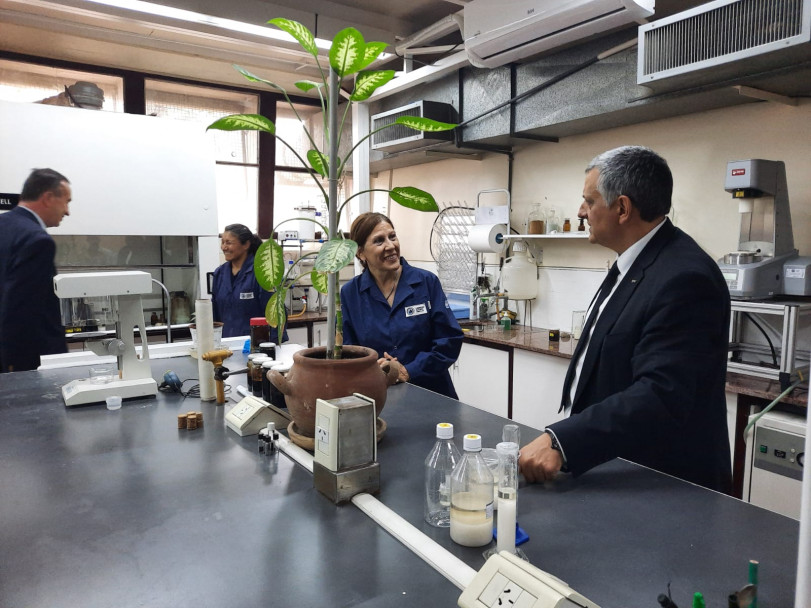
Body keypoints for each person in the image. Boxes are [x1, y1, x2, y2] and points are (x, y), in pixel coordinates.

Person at [518, 146, 732, 493]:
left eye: (589, 201)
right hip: (615, 464)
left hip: (661, 486)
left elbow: (660, 394)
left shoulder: (684, 277)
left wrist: (563, 440)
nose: (581, 211)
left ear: (622, 208)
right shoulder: (635, 261)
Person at [340, 212, 463, 399]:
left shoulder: (426, 283)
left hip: (432, 394)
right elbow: (350, 350)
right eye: (379, 241)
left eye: (392, 236)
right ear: (361, 253)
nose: (391, 246)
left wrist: (408, 370)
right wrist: (372, 366)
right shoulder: (351, 293)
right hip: (379, 395)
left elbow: (449, 340)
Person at [0, 168, 72, 372]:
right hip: (28, 362)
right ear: (48, 197)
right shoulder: (37, 240)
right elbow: (21, 310)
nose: (67, 211)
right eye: (67, 201)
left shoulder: (4, 226)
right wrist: (14, 369)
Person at [211, 224, 286, 342]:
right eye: (222, 242)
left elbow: (275, 313)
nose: (224, 247)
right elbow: (215, 314)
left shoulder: (263, 272)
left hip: (258, 346)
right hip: (227, 345)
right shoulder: (219, 273)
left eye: (229, 243)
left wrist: (271, 346)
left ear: (246, 244)